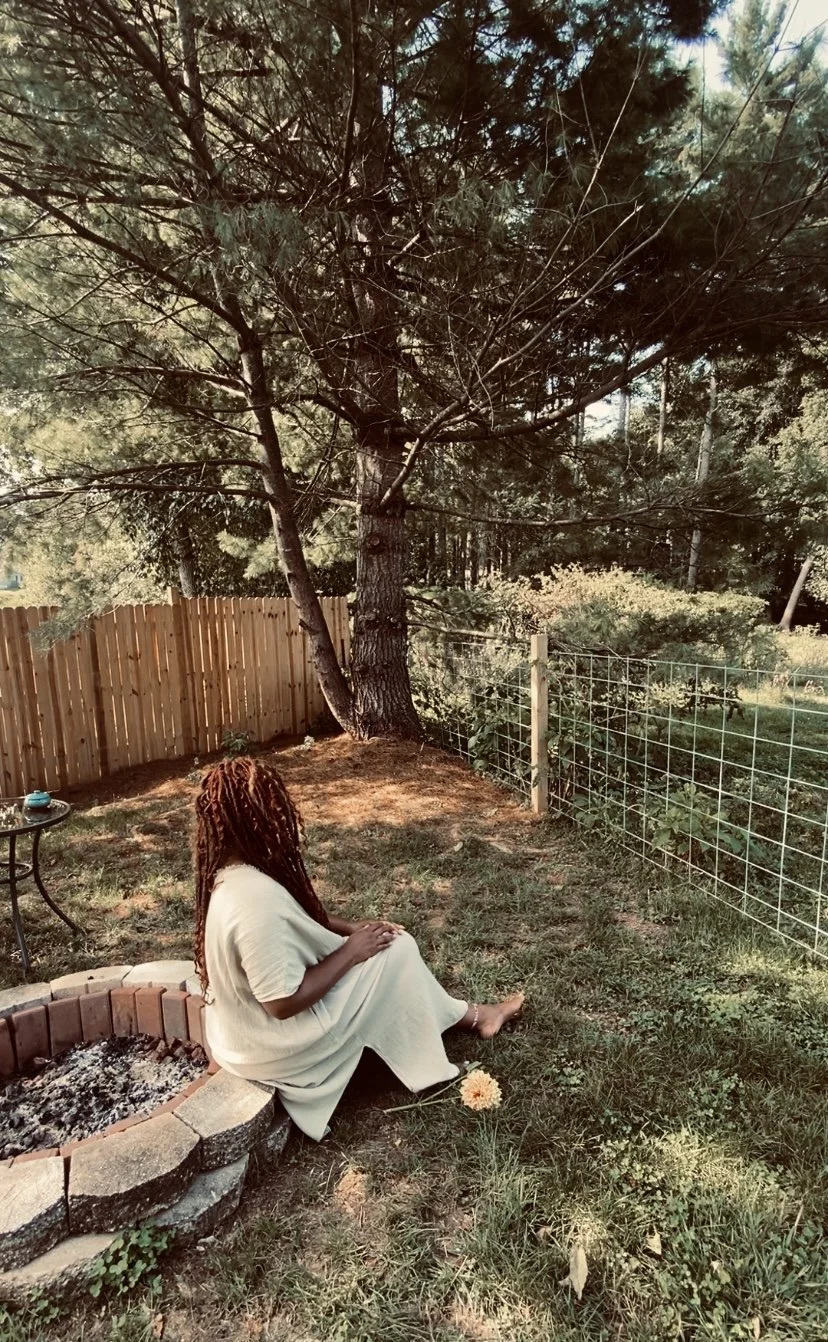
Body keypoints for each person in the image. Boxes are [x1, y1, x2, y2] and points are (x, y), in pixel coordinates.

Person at [193, 757, 524, 1140]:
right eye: (274, 811)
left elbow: (300, 916)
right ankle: (472, 1019)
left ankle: (473, 1016)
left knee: (385, 946)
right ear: (253, 821)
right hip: (279, 1050)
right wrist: (351, 951)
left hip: (243, 1039)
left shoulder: (233, 876)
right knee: (397, 951)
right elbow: (281, 1003)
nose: (282, 822)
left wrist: (353, 929)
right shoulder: (254, 901)